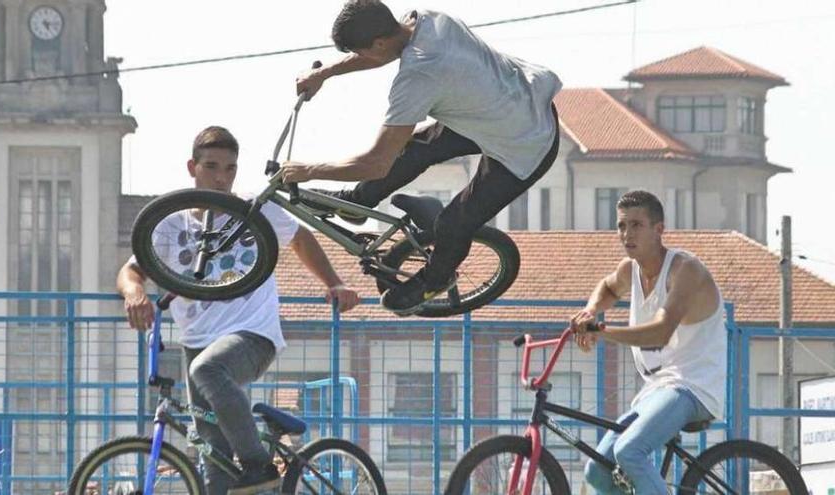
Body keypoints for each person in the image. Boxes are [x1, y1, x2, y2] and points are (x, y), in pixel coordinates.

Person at [117, 126, 360, 495]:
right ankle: (253, 476)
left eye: (230, 169)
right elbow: (131, 271)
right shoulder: (171, 223)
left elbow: (300, 238)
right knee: (212, 461)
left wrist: (333, 283)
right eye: (212, 166)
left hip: (252, 336)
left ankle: (259, 464)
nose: (221, 177)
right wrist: (134, 294)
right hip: (196, 343)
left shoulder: (252, 210)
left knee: (208, 369)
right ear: (191, 167)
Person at [280, 0, 561, 316]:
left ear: (379, 42)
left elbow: (376, 163)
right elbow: (382, 51)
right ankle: (359, 202)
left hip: (527, 143)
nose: (363, 58)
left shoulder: (418, 76)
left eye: (363, 52)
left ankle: (435, 280)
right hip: (509, 102)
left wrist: (309, 170)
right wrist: (326, 73)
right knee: (415, 148)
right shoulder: (424, 19)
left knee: (455, 221)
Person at [570, 190, 726, 495]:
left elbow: (660, 332)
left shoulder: (685, 270)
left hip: (693, 387)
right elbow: (608, 287)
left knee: (629, 452)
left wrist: (602, 332)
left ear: (659, 230)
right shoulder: (630, 270)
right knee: (598, 471)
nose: (626, 234)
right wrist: (590, 310)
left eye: (636, 225)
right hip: (655, 391)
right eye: (621, 226)